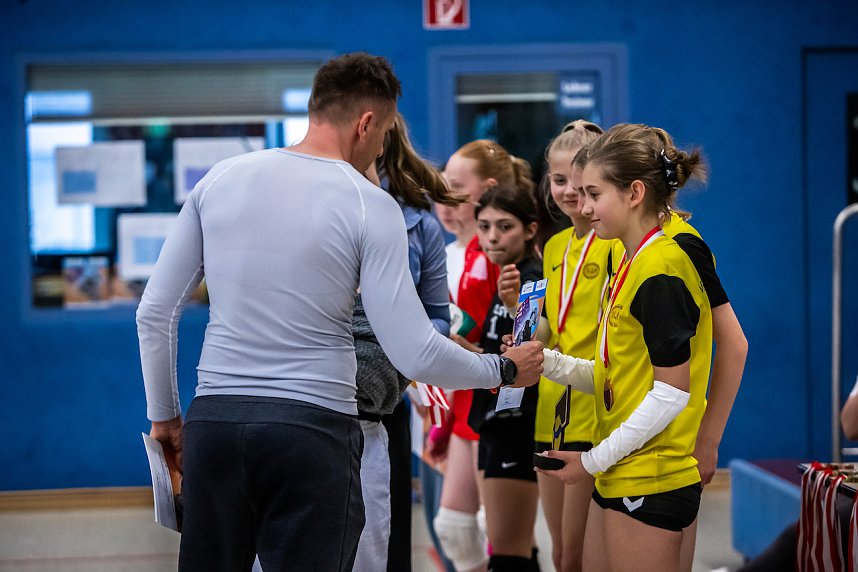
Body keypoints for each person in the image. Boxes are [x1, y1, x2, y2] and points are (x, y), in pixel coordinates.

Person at [136, 52, 544, 572]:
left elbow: (154, 314)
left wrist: (166, 418)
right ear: (367, 122)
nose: (380, 147)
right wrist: (504, 368)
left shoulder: (221, 178)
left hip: (215, 422)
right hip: (311, 432)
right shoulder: (369, 204)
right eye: (384, 132)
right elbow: (414, 351)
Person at [534, 123, 714, 572]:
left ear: (635, 193)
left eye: (594, 193)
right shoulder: (631, 261)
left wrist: (592, 460)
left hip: (651, 475)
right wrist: (543, 362)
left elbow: (673, 392)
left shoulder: (662, 268)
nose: (585, 205)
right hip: (620, 469)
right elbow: (614, 374)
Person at [349, 112, 464, 572]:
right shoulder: (310, 208)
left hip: (384, 398)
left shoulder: (420, 225)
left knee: (385, 538)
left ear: (380, 140)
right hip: (311, 397)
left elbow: (439, 318)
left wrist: (403, 335)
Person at [429, 140, 531, 572]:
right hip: (470, 399)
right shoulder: (470, 251)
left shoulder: (504, 257)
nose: (446, 201)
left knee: (502, 535)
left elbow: (519, 335)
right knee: (455, 528)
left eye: (455, 187)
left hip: (503, 402)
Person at [535, 120, 609, 572]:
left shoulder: (614, 243)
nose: (568, 192)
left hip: (591, 403)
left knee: (576, 556)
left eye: (580, 184)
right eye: (559, 180)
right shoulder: (555, 244)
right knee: (559, 551)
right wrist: (526, 341)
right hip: (548, 402)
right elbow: (550, 323)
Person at [462, 183, 546, 571]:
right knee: (511, 547)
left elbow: (537, 343)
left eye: (504, 226)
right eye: (484, 226)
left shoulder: (530, 278)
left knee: (508, 556)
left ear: (530, 229)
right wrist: (468, 351)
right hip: (494, 421)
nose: (492, 236)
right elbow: (503, 352)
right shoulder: (506, 276)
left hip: (518, 424)